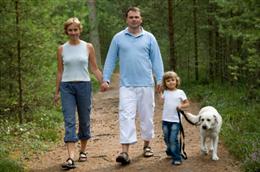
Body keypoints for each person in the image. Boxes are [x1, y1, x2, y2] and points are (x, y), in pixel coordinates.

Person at [101, 7, 164, 165]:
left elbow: (157, 60)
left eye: (136, 17)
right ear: (126, 19)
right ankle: (125, 152)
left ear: (141, 19)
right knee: (125, 116)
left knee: (147, 117)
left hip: (146, 84)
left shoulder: (149, 38)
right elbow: (110, 59)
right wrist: (106, 79)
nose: (134, 19)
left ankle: (147, 146)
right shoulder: (118, 38)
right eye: (131, 17)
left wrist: (160, 80)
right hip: (127, 86)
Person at [54, 17, 103, 170]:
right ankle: (70, 157)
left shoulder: (88, 47)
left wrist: (103, 81)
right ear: (66, 31)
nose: (73, 32)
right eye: (70, 30)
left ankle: (82, 150)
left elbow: (94, 68)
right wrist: (56, 92)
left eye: (76, 29)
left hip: (84, 85)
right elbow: (60, 71)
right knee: (69, 120)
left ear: (80, 30)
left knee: (84, 119)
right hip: (66, 87)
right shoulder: (62, 48)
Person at [160, 71, 190, 165]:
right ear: (165, 83)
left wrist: (181, 105)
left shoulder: (180, 92)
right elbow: (161, 101)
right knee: (166, 138)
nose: (171, 82)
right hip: (165, 120)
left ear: (176, 81)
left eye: (173, 80)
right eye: (168, 81)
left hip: (175, 120)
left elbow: (187, 103)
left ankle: (177, 157)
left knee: (173, 139)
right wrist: (159, 92)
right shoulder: (165, 92)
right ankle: (170, 151)